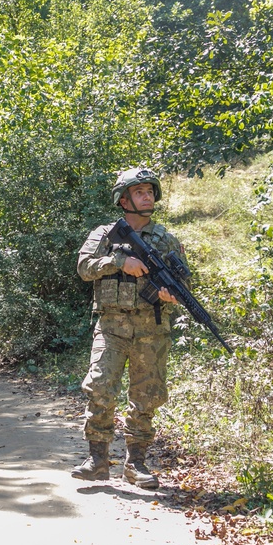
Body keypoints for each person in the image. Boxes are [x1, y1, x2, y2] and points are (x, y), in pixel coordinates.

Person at [72, 168, 186, 489]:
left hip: (151, 330)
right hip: (111, 326)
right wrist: (119, 262)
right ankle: (97, 459)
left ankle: (136, 463)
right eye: (140, 192)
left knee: (146, 396)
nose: (147, 196)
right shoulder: (105, 234)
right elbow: (84, 267)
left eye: (150, 191)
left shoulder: (166, 239)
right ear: (123, 200)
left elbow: (182, 284)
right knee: (99, 387)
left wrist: (171, 294)